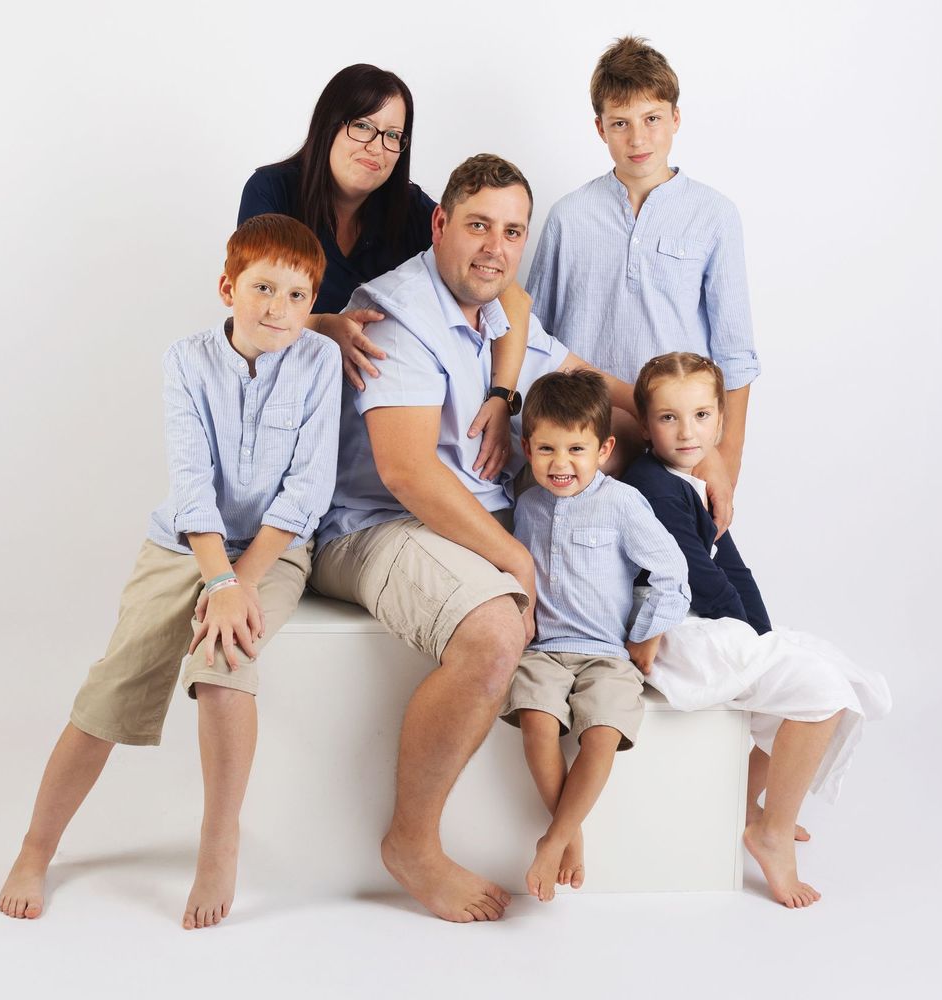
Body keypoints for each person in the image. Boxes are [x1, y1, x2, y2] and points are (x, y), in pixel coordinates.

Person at [309, 154, 631, 923]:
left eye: (513, 231)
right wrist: (515, 556)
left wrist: (677, 427)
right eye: (479, 225)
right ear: (440, 224)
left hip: (469, 525)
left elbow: (595, 391)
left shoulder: (500, 317)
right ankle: (411, 844)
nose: (495, 246)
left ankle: (564, 818)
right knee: (496, 629)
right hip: (374, 525)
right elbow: (407, 471)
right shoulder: (396, 311)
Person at [0, 215, 342, 928]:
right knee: (112, 686)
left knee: (225, 663)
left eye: (297, 295)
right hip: (183, 544)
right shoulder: (184, 361)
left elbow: (306, 491)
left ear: (313, 304)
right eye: (263, 288)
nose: (278, 308)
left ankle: (219, 842)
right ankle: (36, 846)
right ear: (228, 288)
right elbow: (191, 482)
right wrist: (216, 580)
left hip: (273, 550)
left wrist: (242, 584)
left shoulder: (318, 364)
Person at [622, 352, 892, 908]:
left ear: (720, 421)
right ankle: (768, 833)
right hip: (679, 629)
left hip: (712, 618)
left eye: (700, 415)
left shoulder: (691, 480)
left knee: (828, 675)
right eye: (669, 418)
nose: (687, 430)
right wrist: (749, 635)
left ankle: (743, 806)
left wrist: (763, 632)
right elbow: (696, 576)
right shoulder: (654, 484)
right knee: (820, 692)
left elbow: (732, 565)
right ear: (646, 424)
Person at [239, 64, 529, 483]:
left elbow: (508, 293)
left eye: (393, 135)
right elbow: (253, 311)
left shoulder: (409, 210)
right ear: (329, 125)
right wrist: (321, 325)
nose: (377, 147)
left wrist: (502, 396)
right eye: (363, 126)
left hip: (360, 432)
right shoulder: (272, 192)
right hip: (275, 415)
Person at [526, 35, 759, 527]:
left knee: (686, 584)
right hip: (583, 444)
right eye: (620, 123)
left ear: (675, 118)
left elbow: (735, 355)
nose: (638, 139)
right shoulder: (569, 217)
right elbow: (533, 337)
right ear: (600, 128)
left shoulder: (714, 216)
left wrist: (725, 463)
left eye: (652, 119)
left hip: (680, 444)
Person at [499, 370, 689, 901]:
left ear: (604, 448)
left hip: (608, 653)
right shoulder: (527, 506)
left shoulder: (622, 503)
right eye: (546, 450)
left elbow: (672, 572)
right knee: (536, 722)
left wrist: (645, 634)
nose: (561, 465)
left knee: (600, 732)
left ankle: (553, 837)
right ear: (526, 447)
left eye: (576, 449)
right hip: (544, 652)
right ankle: (570, 831)